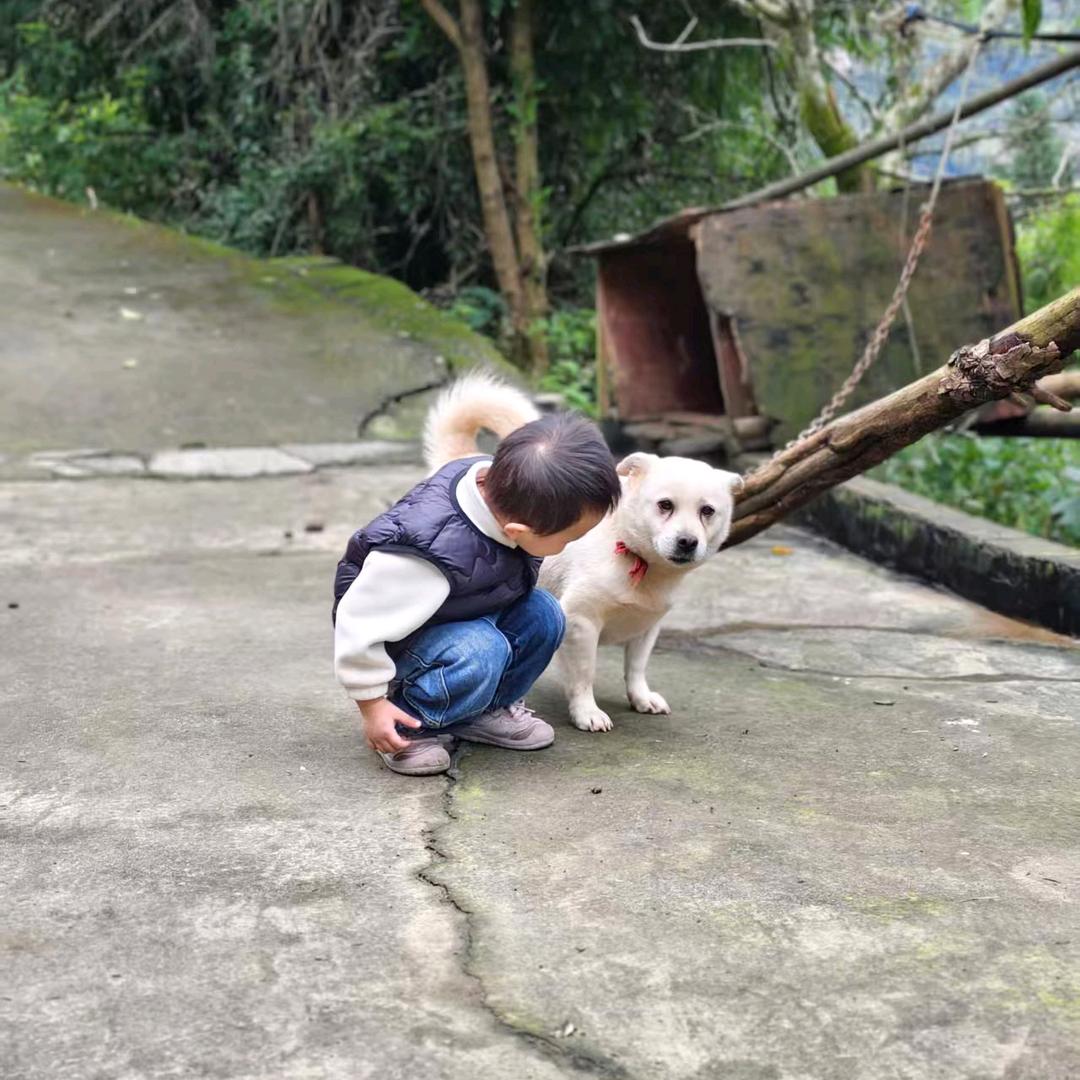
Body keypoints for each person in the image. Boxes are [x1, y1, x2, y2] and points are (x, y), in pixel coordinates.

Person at [333, 409, 620, 776]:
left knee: (546, 613)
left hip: (460, 616)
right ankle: (411, 726)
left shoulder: (507, 489)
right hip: (401, 647)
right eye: (570, 538)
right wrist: (372, 707)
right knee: (482, 648)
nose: (572, 545)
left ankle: (481, 712)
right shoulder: (423, 555)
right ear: (518, 530)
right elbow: (360, 623)